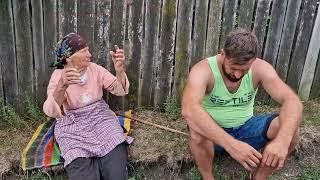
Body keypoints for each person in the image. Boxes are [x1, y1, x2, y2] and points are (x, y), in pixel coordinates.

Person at [181, 28, 303, 180]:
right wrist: (231, 145)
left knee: (291, 129)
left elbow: (293, 101)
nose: (238, 75)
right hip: (212, 136)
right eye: (233, 68)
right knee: (196, 131)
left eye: (244, 69)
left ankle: (259, 176)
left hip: (247, 128)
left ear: (253, 61)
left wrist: (282, 140)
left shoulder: (261, 68)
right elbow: (189, 109)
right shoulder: (203, 70)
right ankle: (208, 177)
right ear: (223, 53)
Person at [43, 33, 132, 180]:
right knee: (82, 171)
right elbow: (51, 111)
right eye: (84, 51)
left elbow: (119, 89)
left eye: (88, 50)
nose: (89, 55)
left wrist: (119, 70)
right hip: (72, 125)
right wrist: (62, 85)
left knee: (116, 168)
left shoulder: (95, 69)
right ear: (69, 57)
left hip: (100, 117)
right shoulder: (59, 76)